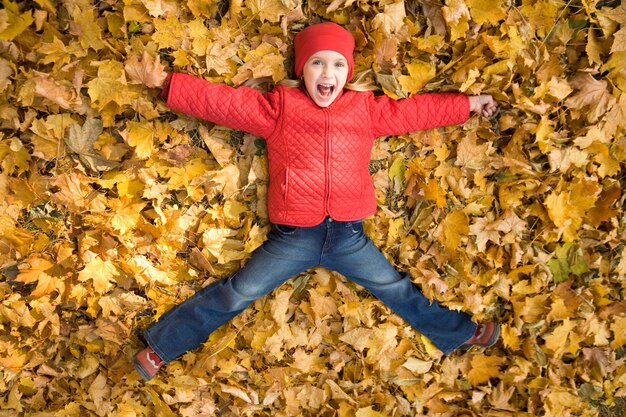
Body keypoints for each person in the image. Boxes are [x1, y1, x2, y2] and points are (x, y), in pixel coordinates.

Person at [132, 22, 499, 381]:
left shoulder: (364, 109)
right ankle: (161, 347)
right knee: (239, 291)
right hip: (294, 237)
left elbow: (416, 112)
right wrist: (168, 83)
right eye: (318, 62)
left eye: (338, 64)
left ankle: (458, 331)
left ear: (348, 72)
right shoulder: (280, 108)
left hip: (349, 236)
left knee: (396, 288)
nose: (328, 72)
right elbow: (222, 103)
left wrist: (468, 103)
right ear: (302, 70)